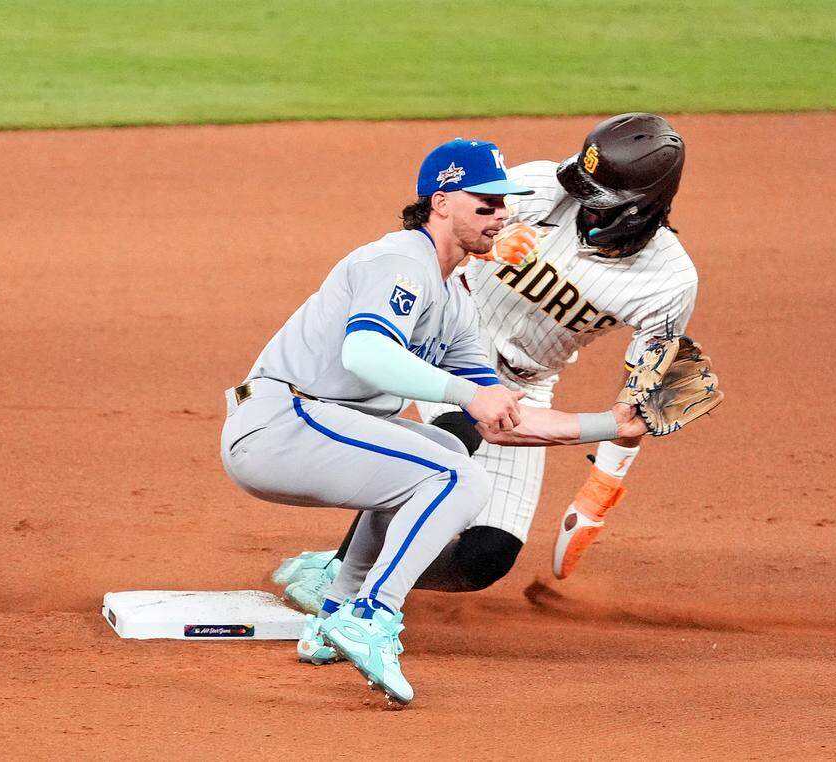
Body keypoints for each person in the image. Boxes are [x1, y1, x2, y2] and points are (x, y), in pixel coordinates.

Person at [221, 137, 648, 706]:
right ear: (441, 201)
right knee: (458, 478)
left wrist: (611, 424)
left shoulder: (455, 301)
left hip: (317, 425)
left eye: (506, 204)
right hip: (282, 422)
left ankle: (333, 617)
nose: (502, 216)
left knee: (445, 460)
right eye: (486, 203)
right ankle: (372, 614)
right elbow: (366, 355)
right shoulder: (400, 260)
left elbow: (503, 419)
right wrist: (463, 394)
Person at [275, 113, 696, 612]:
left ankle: (361, 570)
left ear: (638, 207)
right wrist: (486, 254)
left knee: (484, 560)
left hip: (522, 386)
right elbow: (445, 230)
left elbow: (638, 407)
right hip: (438, 346)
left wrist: (600, 491)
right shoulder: (541, 185)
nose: (579, 199)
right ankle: (342, 574)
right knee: (455, 437)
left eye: (596, 195)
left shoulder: (668, 282)